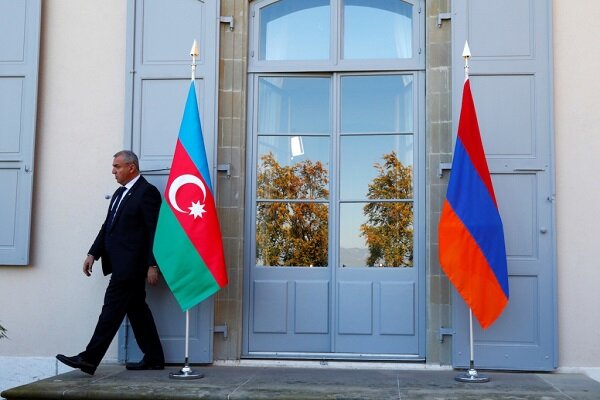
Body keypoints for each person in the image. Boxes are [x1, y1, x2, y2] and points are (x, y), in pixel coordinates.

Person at [56, 150, 165, 375]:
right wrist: (93, 253)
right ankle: (155, 358)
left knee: (110, 311)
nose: (113, 171)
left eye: (117, 166)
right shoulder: (118, 193)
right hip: (119, 264)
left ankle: (89, 359)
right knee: (137, 311)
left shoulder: (147, 192)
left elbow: (154, 231)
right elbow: (108, 226)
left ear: (131, 167)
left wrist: (152, 265)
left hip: (132, 267)